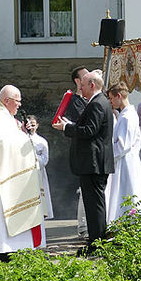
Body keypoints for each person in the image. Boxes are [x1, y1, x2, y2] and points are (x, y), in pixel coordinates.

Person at [0, 85, 46, 262]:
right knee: (1, 217)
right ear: (7, 101)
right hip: (1, 178)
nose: (19, 105)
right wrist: (23, 139)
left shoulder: (5, 116)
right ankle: (4, 250)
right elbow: (2, 146)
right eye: (17, 101)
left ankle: (15, 249)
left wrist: (22, 135)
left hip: (8, 172)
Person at [54, 70, 114, 252]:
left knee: (94, 204)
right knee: (95, 203)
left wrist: (67, 127)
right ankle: (98, 240)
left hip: (93, 162)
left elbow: (89, 131)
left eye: (83, 85)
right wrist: (70, 125)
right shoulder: (99, 102)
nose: (81, 88)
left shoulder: (97, 103)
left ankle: (96, 243)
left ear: (92, 85)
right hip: (95, 161)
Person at [105, 83, 141, 222]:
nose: (110, 102)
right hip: (126, 160)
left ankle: (126, 223)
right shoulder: (126, 114)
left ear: (119, 96)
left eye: (111, 98)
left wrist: (107, 155)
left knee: (125, 191)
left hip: (125, 162)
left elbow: (122, 146)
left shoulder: (127, 117)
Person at [64, 65, 91, 237]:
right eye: (85, 76)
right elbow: (83, 121)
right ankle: (83, 226)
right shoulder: (74, 101)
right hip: (81, 149)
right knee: (84, 189)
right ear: (77, 81)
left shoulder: (89, 99)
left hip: (89, 149)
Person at [24, 113, 53, 219]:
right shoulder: (20, 138)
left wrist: (33, 158)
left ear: (37, 125)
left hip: (37, 172)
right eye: (28, 123)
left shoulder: (42, 141)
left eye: (33, 124)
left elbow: (45, 159)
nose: (31, 126)